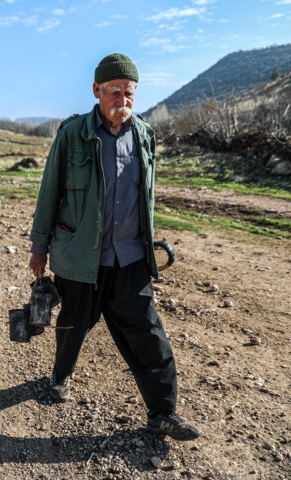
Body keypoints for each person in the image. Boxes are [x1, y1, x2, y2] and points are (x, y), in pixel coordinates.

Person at [28, 53, 202, 441]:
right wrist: (39, 247)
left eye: (129, 94)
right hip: (80, 257)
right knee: (72, 327)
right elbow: (49, 191)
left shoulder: (144, 134)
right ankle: (60, 376)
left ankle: (163, 412)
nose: (121, 101)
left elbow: (147, 196)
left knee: (149, 335)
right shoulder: (73, 133)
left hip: (131, 258)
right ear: (96, 91)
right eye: (114, 92)